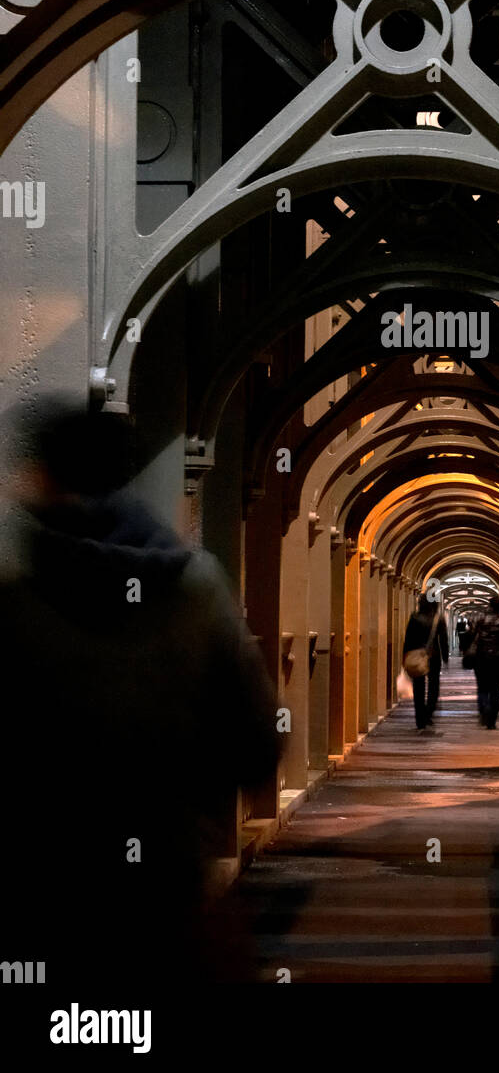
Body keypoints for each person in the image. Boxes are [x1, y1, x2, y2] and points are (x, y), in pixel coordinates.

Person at [0, 396, 280, 986]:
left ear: (44, 477)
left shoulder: (16, 604)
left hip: (41, 885)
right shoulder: (194, 588)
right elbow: (256, 740)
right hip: (165, 876)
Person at [402, 592, 449, 732]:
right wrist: (445, 657)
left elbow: (408, 639)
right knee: (434, 686)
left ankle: (420, 719)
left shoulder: (414, 617)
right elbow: (443, 640)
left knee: (418, 688)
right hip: (433, 656)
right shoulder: (438, 618)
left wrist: (405, 656)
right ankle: (429, 713)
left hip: (417, 655)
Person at [471, 594, 499, 729]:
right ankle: (492, 721)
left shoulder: (481, 620)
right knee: (496, 690)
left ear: (490, 606)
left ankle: (484, 711)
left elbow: (472, 636)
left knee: (482, 688)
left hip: (481, 659)